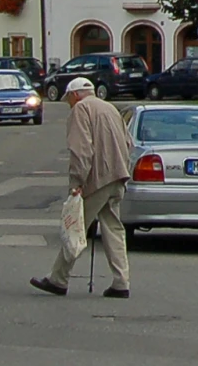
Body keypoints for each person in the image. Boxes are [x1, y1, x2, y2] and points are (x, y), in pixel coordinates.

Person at [31, 76, 131, 298]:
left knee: (75, 227)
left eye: (68, 99)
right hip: (118, 176)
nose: (69, 103)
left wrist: (77, 182)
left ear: (75, 95)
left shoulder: (81, 110)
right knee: (113, 229)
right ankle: (121, 282)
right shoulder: (111, 109)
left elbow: (81, 149)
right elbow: (128, 144)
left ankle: (58, 279)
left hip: (97, 180)